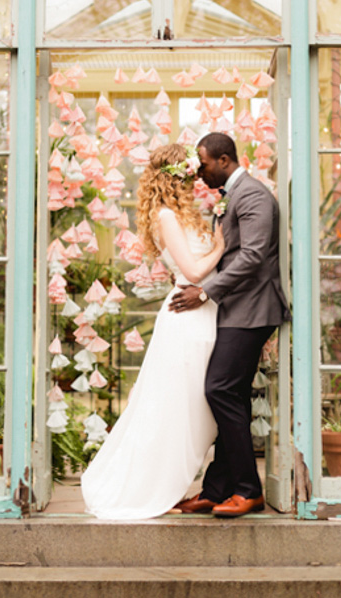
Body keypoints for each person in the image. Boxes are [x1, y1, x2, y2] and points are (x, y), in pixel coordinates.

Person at [81, 143, 225, 520]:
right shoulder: (165, 216)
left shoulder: (185, 215)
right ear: (174, 179)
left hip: (205, 314)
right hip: (187, 316)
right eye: (189, 177)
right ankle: (157, 486)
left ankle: (176, 483)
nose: (195, 183)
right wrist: (222, 247)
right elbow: (193, 273)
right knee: (176, 408)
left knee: (196, 409)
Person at [170, 132, 290, 518]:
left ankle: (247, 489)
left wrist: (204, 292)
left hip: (252, 311)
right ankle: (217, 488)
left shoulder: (253, 195)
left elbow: (254, 256)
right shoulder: (232, 197)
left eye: (202, 164)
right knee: (231, 396)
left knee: (219, 388)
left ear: (224, 160)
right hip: (236, 310)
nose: (198, 172)